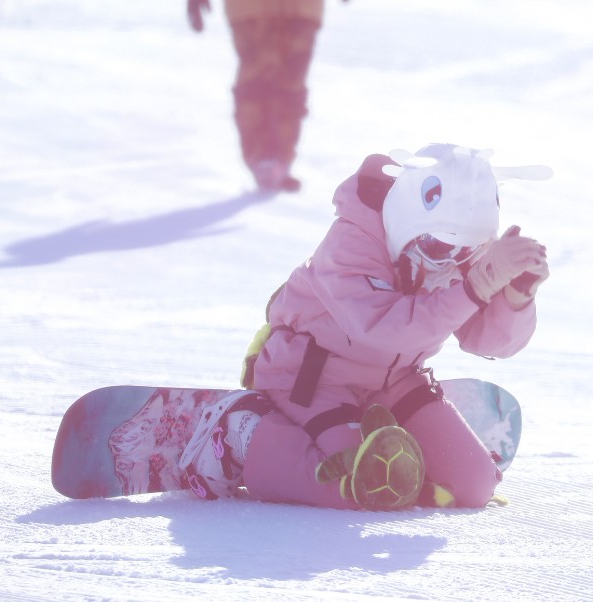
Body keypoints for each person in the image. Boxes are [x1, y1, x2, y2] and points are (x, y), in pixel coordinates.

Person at [180, 144, 552, 509]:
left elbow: (482, 339)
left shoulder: (454, 248)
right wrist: (480, 283)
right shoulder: (351, 243)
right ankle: (241, 436)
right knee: (357, 485)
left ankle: (393, 454)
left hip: (395, 381)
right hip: (312, 378)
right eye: (441, 248)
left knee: (474, 486)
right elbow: (383, 327)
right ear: (409, 218)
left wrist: (516, 297)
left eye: (468, 251)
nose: (452, 261)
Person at [187, 0, 328, 192]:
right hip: (251, 8)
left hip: (302, 8)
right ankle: (262, 159)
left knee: (292, 82)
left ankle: (281, 160)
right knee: (256, 81)